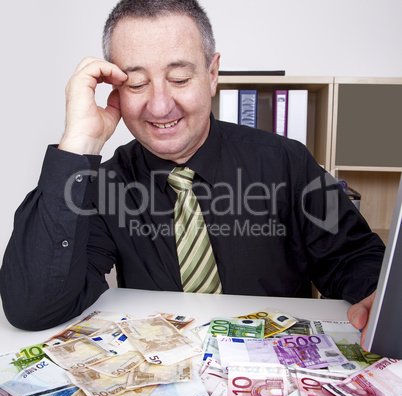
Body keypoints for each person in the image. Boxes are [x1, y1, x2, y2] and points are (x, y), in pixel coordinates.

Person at [0, 0, 384, 344]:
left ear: (213, 74)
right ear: (114, 88)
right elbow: (34, 308)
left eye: (180, 78)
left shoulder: (287, 161)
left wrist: (374, 294)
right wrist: (79, 143)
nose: (160, 105)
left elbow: (353, 257)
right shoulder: (104, 184)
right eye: (136, 83)